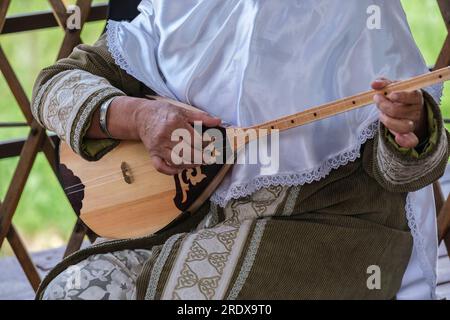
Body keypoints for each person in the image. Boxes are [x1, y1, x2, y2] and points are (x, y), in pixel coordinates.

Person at [32, 0, 449, 300]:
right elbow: (54, 87)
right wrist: (136, 115)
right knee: (77, 289)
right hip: (189, 219)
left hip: (326, 227)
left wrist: (409, 129)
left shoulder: (359, 13)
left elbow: (404, 175)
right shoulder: (177, 8)